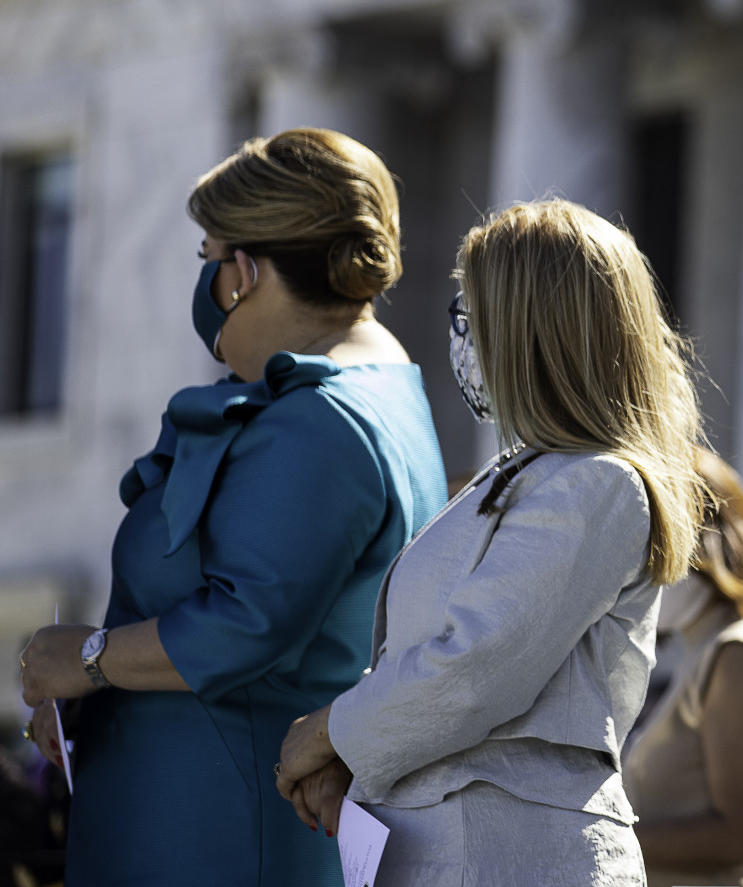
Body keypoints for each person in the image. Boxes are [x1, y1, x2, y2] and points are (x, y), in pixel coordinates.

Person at [18, 127, 449, 886]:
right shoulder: (375, 389)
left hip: (219, 840)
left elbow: (247, 624)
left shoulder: (323, 421)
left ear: (244, 273)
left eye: (209, 257)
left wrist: (85, 659)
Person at [273, 199, 708, 887]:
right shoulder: (523, 472)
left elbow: (473, 670)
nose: (462, 333)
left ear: (531, 328)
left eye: (475, 311)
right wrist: (352, 758)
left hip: (515, 857)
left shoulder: (599, 482)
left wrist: (329, 732)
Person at [623, 451, 743, 887]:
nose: (639, 567)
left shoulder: (740, 653)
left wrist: (601, 840)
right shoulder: (708, 648)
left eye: (652, 544)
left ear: (706, 540)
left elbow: (742, 836)